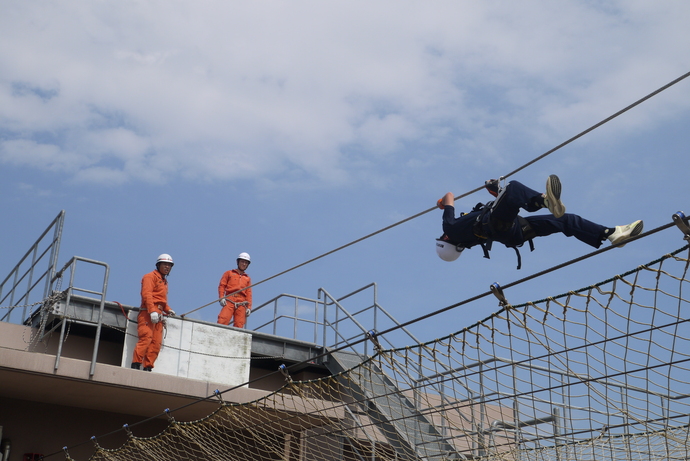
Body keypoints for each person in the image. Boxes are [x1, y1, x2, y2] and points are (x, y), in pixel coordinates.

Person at [436, 175, 643, 268]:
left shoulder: (467, 238)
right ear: (446, 240)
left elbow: (503, 209)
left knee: (565, 221)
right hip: (502, 225)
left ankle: (611, 234)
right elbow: (449, 195)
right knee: (514, 187)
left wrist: (496, 191)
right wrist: (443, 204)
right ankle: (542, 201)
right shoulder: (450, 228)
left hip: (514, 233)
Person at [131, 254, 176, 371]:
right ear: (158, 265)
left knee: (156, 343)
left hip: (159, 314)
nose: (167, 267)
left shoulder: (164, 282)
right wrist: (152, 311)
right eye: (165, 264)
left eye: (169, 265)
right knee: (146, 338)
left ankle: (148, 367)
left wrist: (168, 309)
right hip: (148, 313)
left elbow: (162, 300)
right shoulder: (150, 277)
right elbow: (147, 295)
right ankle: (136, 364)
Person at [217, 252, 253, 328]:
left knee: (239, 324)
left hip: (241, 303)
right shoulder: (228, 273)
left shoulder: (247, 278)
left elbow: (249, 293)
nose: (244, 264)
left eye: (246, 262)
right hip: (230, 300)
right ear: (238, 262)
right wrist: (221, 297)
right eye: (242, 261)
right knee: (223, 320)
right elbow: (222, 286)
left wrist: (249, 307)